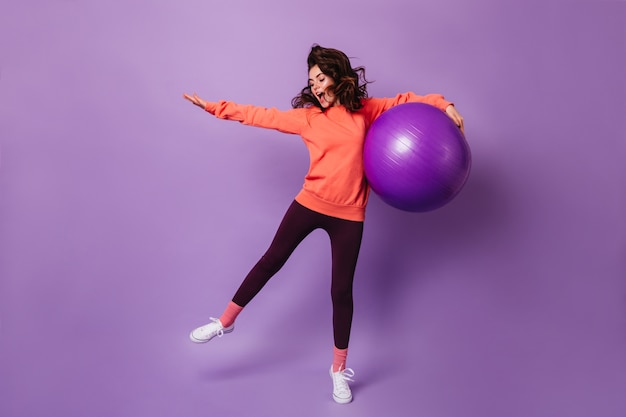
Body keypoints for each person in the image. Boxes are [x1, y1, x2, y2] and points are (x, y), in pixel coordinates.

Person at [183, 44, 464, 404]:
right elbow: (260, 115)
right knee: (271, 260)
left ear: (336, 75)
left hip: (349, 214)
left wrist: (445, 104)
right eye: (311, 80)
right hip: (310, 203)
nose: (315, 85)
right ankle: (225, 322)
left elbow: (408, 99)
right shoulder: (309, 117)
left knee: (341, 291)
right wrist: (213, 107)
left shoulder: (365, 110)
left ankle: (337, 371)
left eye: (320, 77)